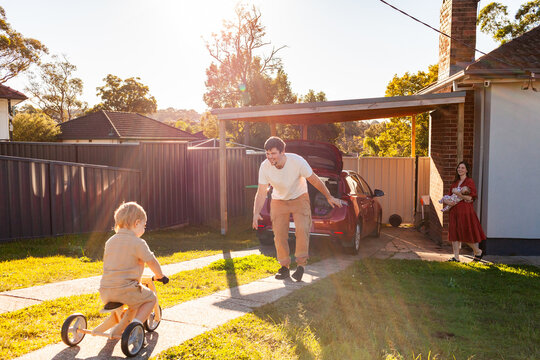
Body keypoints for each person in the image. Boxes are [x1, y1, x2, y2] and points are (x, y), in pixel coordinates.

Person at [252, 136, 342, 281]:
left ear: (283, 152)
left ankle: (300, 266)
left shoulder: (297, 161)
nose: (270, 157)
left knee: (302, 230)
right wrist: (256, 213)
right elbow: (261, 191)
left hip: (300, 198)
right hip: (278, 200)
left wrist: (329, 196)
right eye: (267, 154)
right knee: (279, 235)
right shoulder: (265, 166)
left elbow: (314, 180)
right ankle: (284, 267)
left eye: (273, 153)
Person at [98, 201, 168, 338]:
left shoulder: (110, 242)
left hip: (105, 290)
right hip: (126, 290)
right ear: (136, 223)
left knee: (129, 302)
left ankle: (118, 326)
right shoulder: (138, 243)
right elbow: (152, 262)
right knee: (150, 298)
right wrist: (160, 275)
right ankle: (135, 325)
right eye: (144, 225)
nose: (144, 228)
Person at [444, 161, 486, 262]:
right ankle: (456, 257)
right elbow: (448, 196)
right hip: (454, 211)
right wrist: (448, 202)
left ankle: (478, 251)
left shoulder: (469, 182)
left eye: (462, 168)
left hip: (465, 211)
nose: (460, 169)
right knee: (454, 233)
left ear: (467, 170)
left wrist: (459, 194)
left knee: (465, 234)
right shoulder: (455, 182)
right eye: (459, 167)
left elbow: (470, 198)